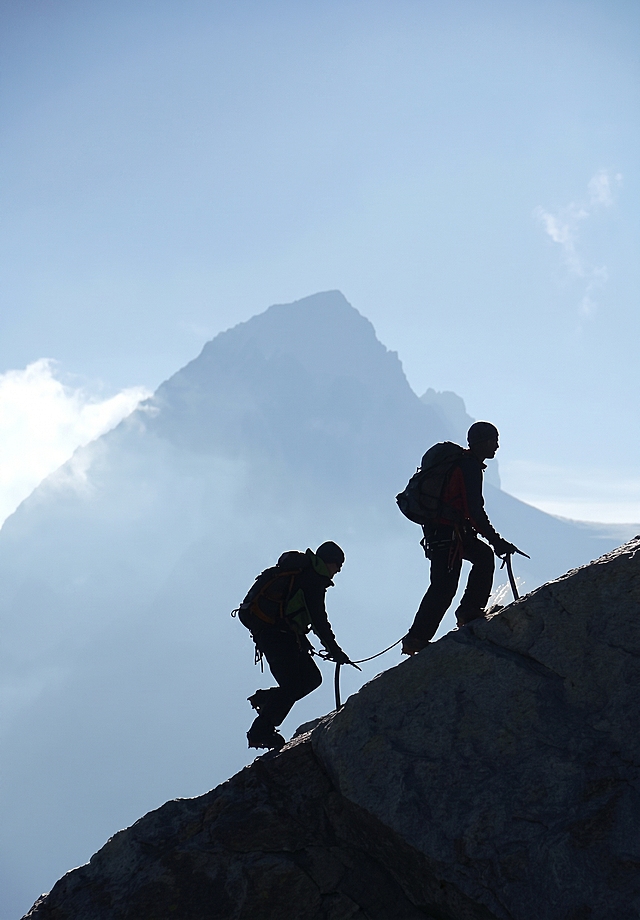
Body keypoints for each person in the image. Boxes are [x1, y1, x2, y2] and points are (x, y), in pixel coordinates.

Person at [402, 421, 517, 655]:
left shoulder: (462, 463)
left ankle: (465, 612)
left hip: (443, 533)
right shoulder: (469, 466)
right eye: (493, 440)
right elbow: (474, 511)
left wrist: (494, 542)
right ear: (483, 442)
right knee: (444, 586)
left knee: (477, 561)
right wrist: (496, 541)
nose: (496, 446)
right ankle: (419, 637)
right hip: (449, 534)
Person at [238, 541, 352, 751]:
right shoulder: (312, 579)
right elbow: (319, 620)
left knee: (311, 678)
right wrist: (335, 650)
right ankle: (260, 731)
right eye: (338, 565)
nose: (338, 570)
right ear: (329, 561)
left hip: (281, 635)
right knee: (293, 685)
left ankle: (267, 700)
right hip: (276, 635)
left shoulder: (305, 574)